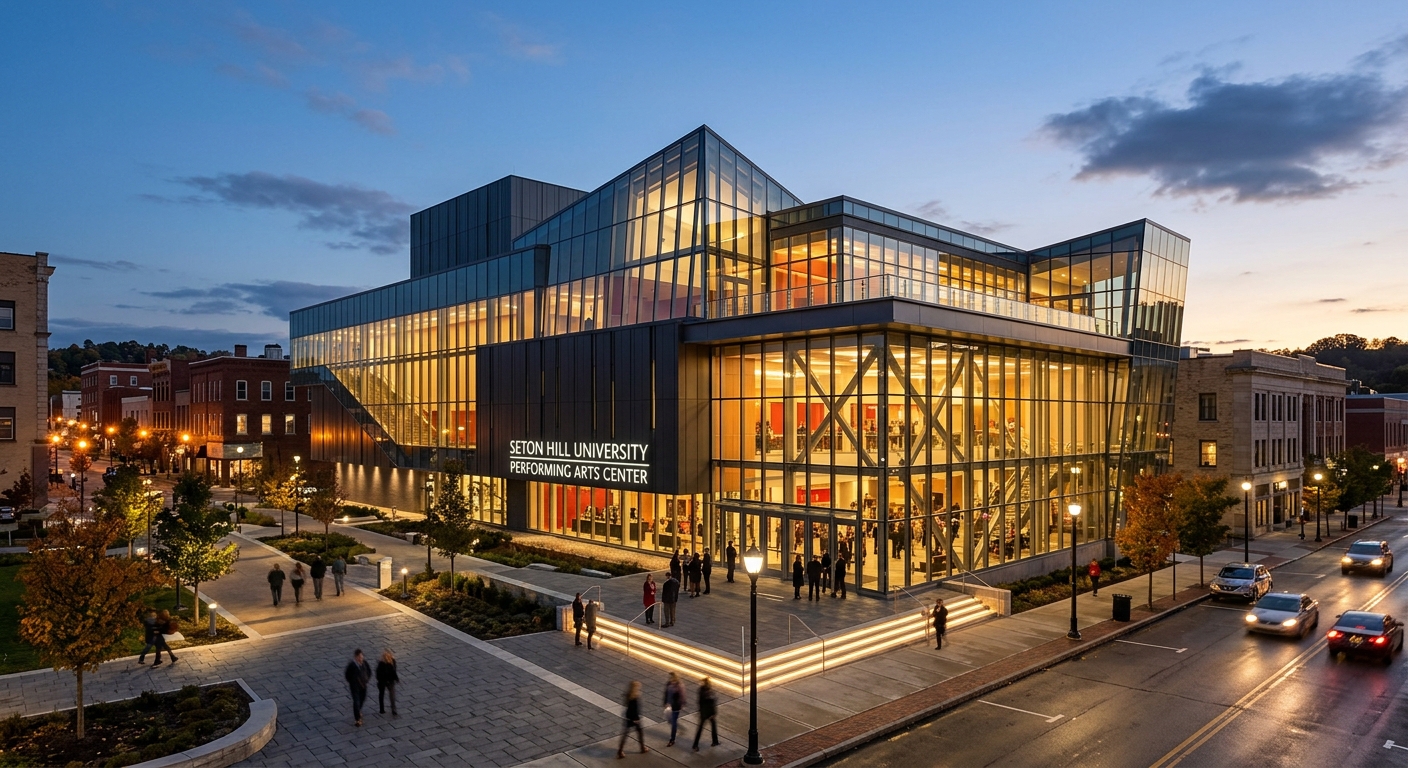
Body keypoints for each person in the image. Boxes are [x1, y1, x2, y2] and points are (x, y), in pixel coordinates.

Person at [616, 681, 647, 758]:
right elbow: (635, 709)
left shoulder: (629, 695)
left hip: (628, 717)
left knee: (626, 734)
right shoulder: (634, 697)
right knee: (639, 733)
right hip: (634, 718)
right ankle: (642, 748)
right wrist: (636, 719)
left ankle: (620, 750)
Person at [344, 649, 372, 726]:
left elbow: (369, 671)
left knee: (362, 699)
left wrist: (367, 679)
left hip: (363, 685)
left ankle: (358, 710)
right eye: (359, 657)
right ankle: (357, 719)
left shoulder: (364, 663)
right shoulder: (352, 665)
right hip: (355, 686)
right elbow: (347, 675)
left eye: (362, 656)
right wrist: (352, 682)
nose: (361, 658)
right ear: (356, 657)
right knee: (356, 701)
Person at [692, 676, 719, 751]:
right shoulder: (709, 692)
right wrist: (713, 713)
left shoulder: (701, 691)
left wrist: (700, 711)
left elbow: (700, 702)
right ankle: (715, 741)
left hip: (703, 713)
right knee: (713, 727)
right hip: (709, 713)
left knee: (700, 729)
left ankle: (695, 744)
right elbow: (712, 704)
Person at [662, 672, 686, 747]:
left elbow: (682, 696)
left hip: (676, 706)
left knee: (673, 721)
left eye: (671, 677)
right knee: (670, 720)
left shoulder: (679, 685)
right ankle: (679, 728)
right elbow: (666, 693)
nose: (670, 679)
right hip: (669, 705)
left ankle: (672, 739)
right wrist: (665, 702)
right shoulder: (669, 684)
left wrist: (682, 704)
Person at [376, 649, 399, 716]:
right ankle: (383, 708)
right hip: (383, 681)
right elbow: (378, 674)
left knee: (390, 694)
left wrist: (396, 678)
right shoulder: (381, 664)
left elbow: (394, 671)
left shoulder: (392, 661)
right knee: (383, 694)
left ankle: (392, 709)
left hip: (390, 680)